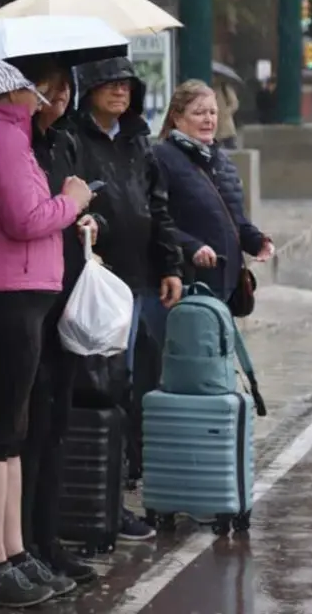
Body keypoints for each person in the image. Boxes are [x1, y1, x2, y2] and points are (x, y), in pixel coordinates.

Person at [0, 77, 95, 608]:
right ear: (15, 88)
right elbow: (28, 217)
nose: (49, 96)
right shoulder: (1, 138)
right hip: (0, 292)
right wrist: (72, 200)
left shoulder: (1, 132)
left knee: (12, 430)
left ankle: (13, 552)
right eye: (41, 84)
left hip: (9, 291)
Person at [66, 56, 184, 541]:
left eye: (127, 85)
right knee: (99, 387)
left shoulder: (138, 142)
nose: (120, 92)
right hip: (94, 283)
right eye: (110, 84)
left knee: (127, 384)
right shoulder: (73, 140)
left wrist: (171, 264)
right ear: (89, 88)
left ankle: (115, 499)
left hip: (137, 282)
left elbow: (158, 207)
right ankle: (96, 505)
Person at [19, 55, 103, 586]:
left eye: (67, 92)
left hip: (68, 294)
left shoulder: (64, 144)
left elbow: (80, 201)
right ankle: (24, 543)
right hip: (31, 301)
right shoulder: (18, 146)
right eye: (52, 91)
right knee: (29, 429)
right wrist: (67, 207)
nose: (62, 101)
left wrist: (90, 216)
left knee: (57, 427)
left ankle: (49, 541)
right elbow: (32, 214)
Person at [151, 80, 274, 304]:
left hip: (226, 283)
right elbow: (155, 219)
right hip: (188, 282)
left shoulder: (222, 160)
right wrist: (192, 246)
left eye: (213, 112)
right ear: (177, 118)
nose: (208, 120)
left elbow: (234, 218)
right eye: (199, 113)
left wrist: (257, 242)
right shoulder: (161, 157)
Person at [212, 75, 240, 149]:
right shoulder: (208, 90)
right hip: (214, 127)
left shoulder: (225, 89)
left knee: (231, 148)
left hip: (226, 126)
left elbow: (234, 103)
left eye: (214, 76)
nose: (213, 78)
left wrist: (226, 112)